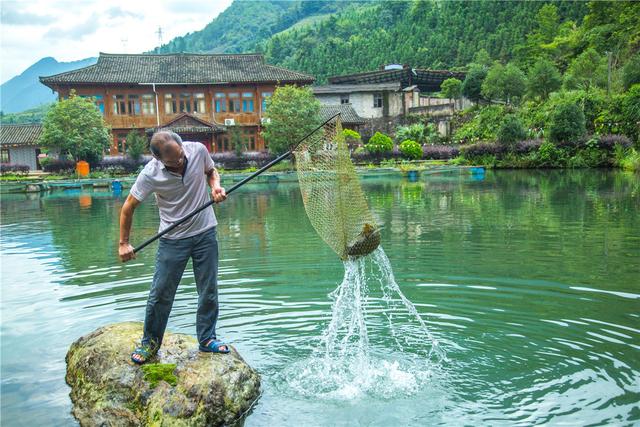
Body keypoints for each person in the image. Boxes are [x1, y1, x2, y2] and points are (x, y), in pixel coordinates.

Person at [119, 130, 229, 364]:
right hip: (172, 239)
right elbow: (128, 207)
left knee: (208, 289)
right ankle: (150, 343)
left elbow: (211, 171)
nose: (179, 163)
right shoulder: (150, 174)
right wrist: (124, 243)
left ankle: (207, 338)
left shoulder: (197, 150)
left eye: (181, 157)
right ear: (158, 160)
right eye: (172, 161)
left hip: (205, 232)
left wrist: (215, 187)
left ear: (182, 147)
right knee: (161, 294)